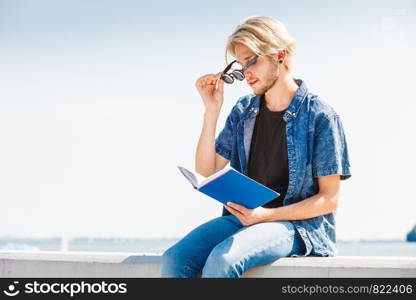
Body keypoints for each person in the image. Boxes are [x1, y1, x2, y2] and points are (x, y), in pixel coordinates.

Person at [161, 16, 351, 278]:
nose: (246, 73)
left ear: (280, 55)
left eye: (251, 61)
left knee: (222, 260)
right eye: (240, 66)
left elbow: (329, 199)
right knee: (175, 259)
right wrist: (211, 111)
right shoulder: (243, 111)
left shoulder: (320, 115)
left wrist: (264, 216)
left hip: (298, 227)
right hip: (245, 218)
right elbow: (205, 171)